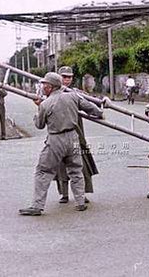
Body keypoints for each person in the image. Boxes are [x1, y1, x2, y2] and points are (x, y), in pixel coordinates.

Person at [19, 72, 104, 216]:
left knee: (43, 171)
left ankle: (37, 206)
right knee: (76, 170)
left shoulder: (46, 104)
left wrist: (39, 108)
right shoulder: (73, 96)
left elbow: (39, 125)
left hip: (55, 139)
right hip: (73, 137)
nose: (43, 87)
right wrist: (100, 113)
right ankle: (80, 201)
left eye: (45, 85)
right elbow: (93, 110)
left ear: (50, 87)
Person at [54, 66, 98, 204]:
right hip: (58, 132)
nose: (67, 80)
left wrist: (100, 111)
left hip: (75, 132)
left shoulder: (76, 93)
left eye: (69, 77)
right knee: (61, 165)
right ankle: (64, 194)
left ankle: (81, 194)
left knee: (81, 164)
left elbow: (89, 104)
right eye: (64, 77)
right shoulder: (52, 93)